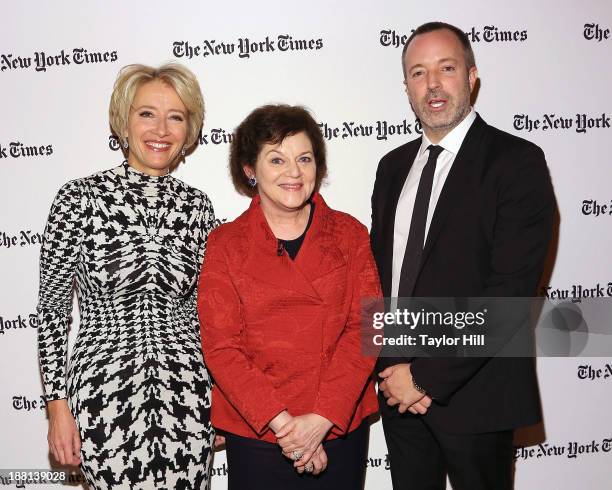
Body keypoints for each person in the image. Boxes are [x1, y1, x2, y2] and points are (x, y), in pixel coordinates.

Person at [370, 22, 555, 490]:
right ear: (406, 88)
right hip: (397, 392)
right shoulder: (391, 168)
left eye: (446, 68)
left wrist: (426, 377)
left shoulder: (516, 162)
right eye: (418, 72)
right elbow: (383, 282)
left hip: (476, 394)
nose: (432, 84)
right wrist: (391, 373)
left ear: (472, 76)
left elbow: (508, 295)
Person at [37, 63, 217, 489]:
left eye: (176, 116)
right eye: (146, 113)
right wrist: (58, 408)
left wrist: (219, 396)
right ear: (124, 120)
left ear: (189, 129)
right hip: (103, 393)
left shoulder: (199, 207)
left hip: (187, 393)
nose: (161, 129)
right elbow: (53, 310)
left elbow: (204, 313)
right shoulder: (79, 198)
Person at [198, 104, 381, 490]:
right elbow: (222, 347)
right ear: (251, 169)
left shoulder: (349, 235)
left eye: (304, 158)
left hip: (337, 424)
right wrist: (287, 429)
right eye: (277, 159)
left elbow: (367, 328)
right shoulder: (226, 244)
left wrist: (320, 420)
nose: (293, 172)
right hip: (260, 431)